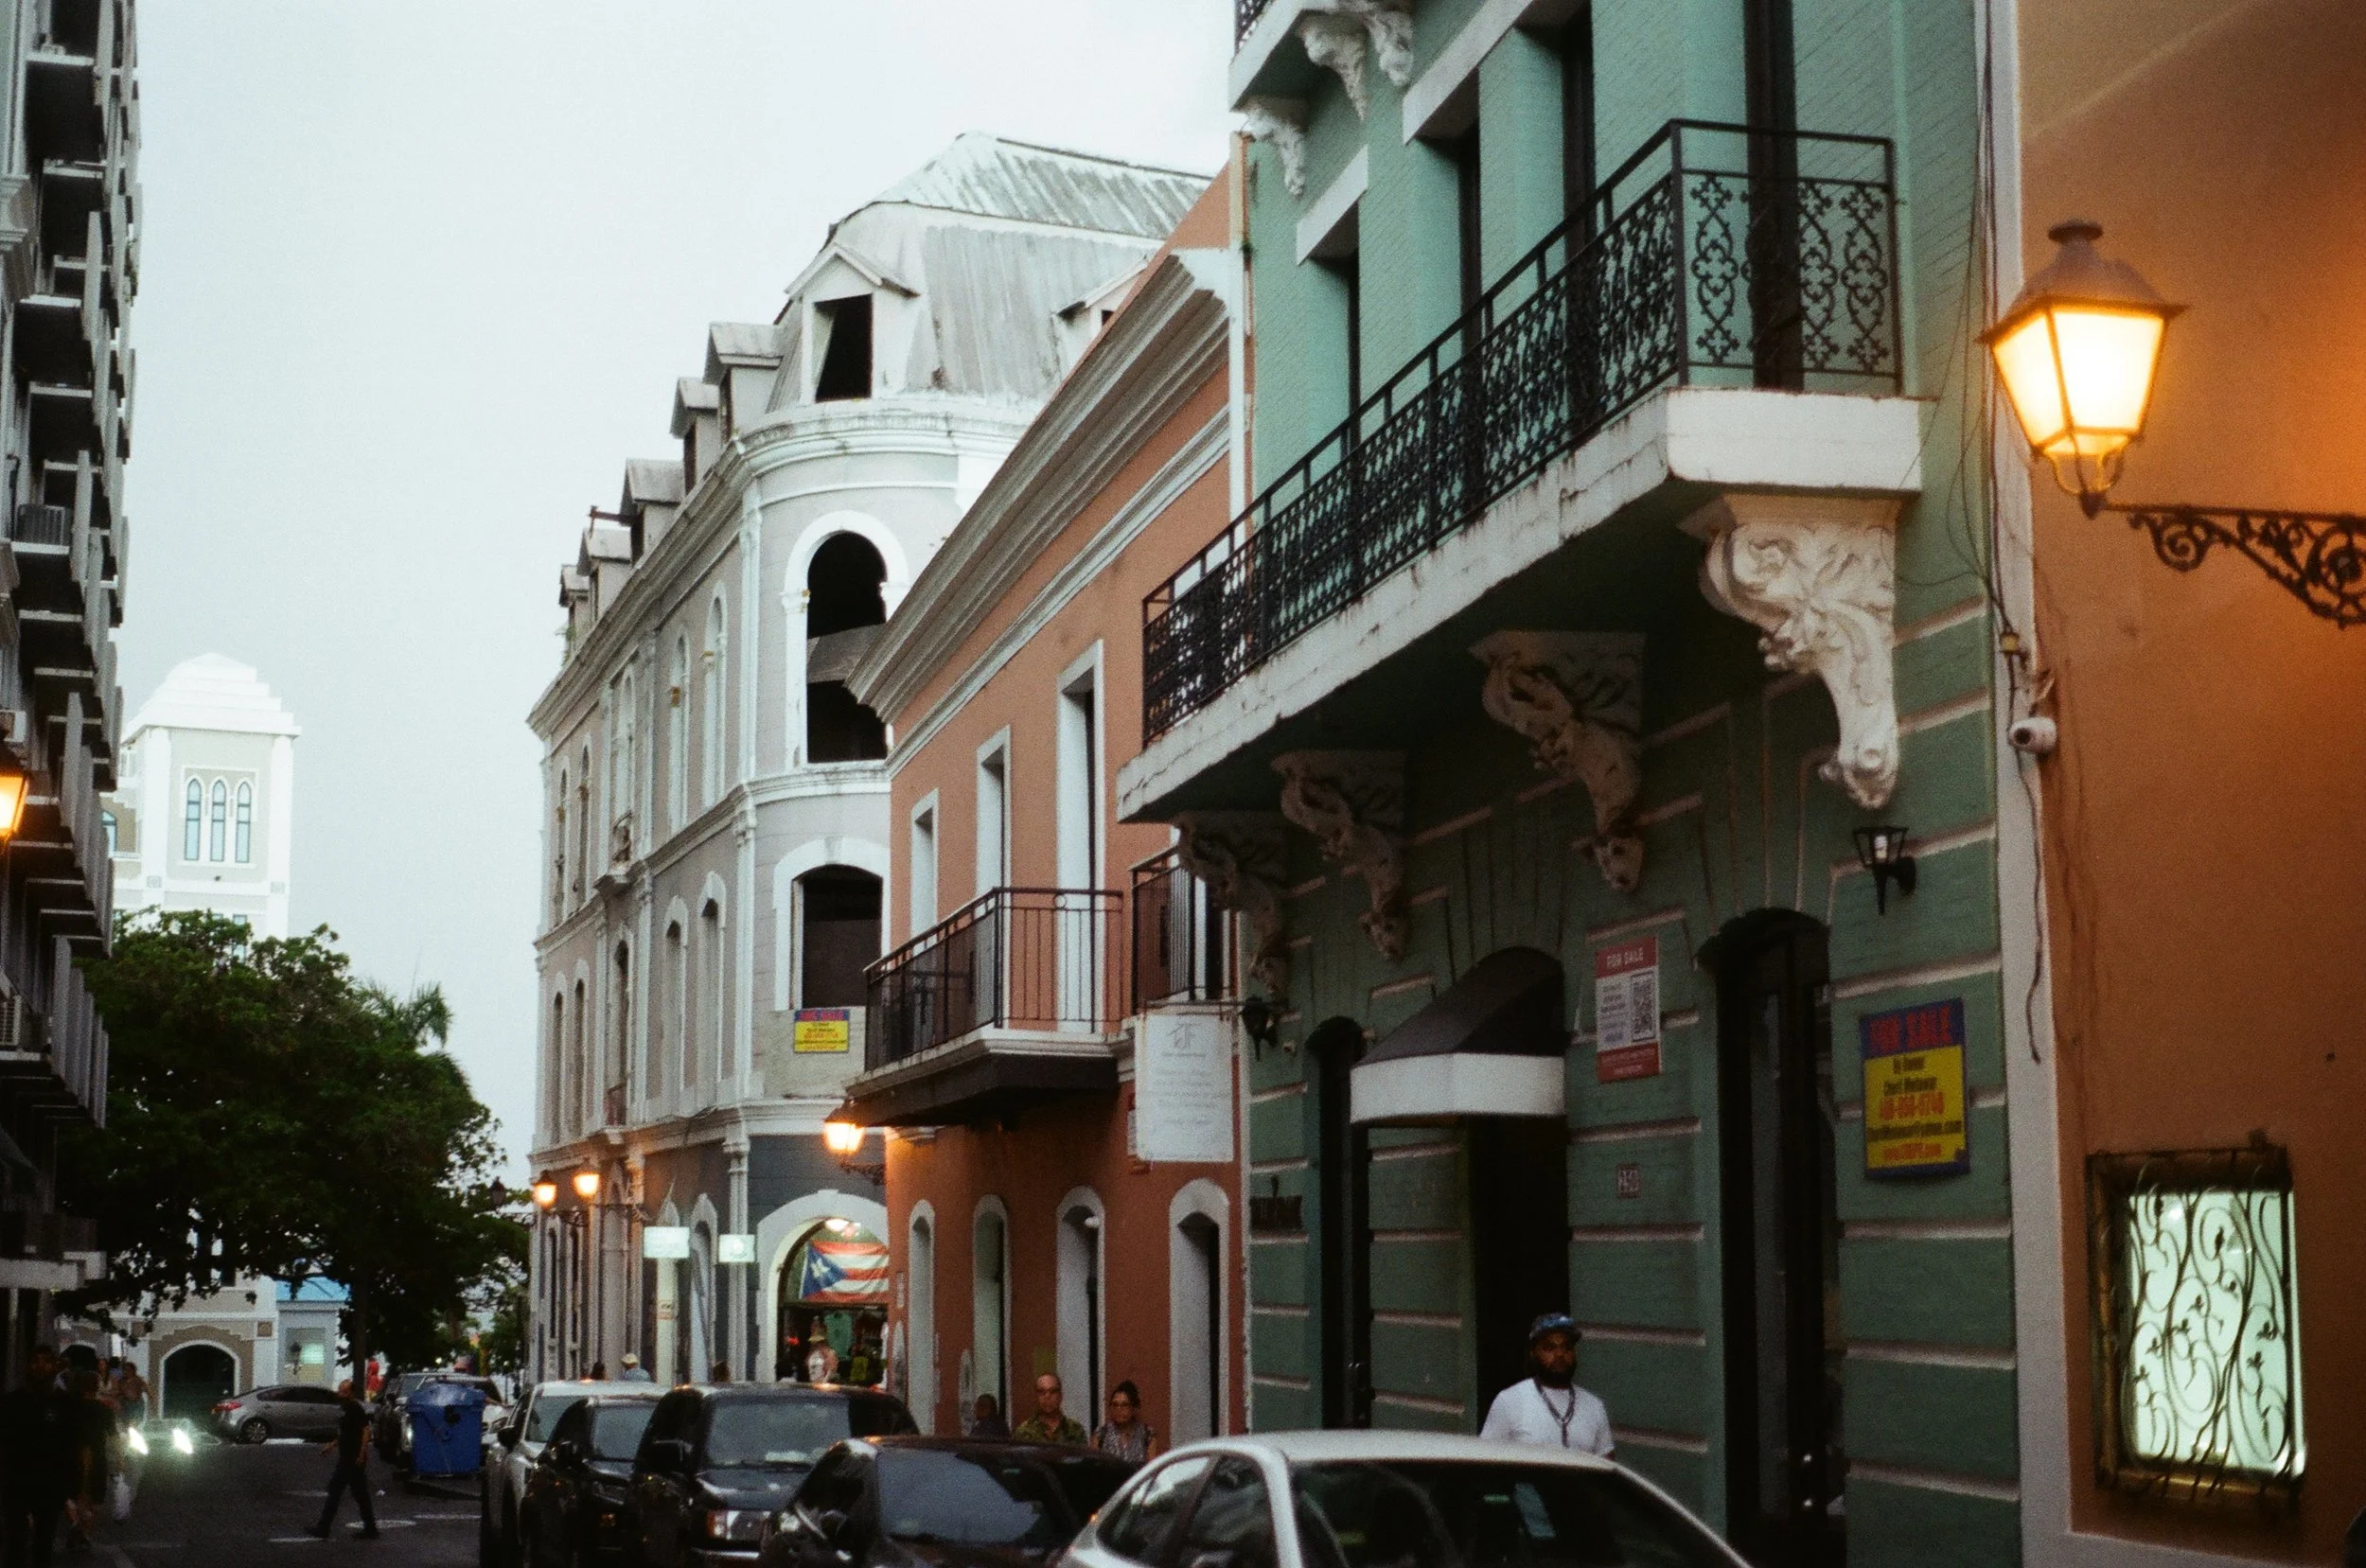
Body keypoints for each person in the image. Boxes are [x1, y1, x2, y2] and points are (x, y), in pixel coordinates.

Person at [1479, 1313, 1613, 1455]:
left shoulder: (1594, 1406)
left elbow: (1607, 1464)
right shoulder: (1509, 1401)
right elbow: (1486, 1459)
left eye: (1566, 1347)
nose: (1559, 1354)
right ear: (1533, 1353)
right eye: (1549, 1347)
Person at [2, 1347, 78, 1567]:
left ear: (55, 1366)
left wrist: (70, 1489)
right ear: (28, 1365)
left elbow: (69, 1445)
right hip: (17, 1484)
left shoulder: (64, 1403)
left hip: (49, 1485)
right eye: (36, 1361)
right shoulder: (13, 1402)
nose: (40, 1366)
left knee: (43, 1545)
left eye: (46, 1361)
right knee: (14, 1543)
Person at [306, 1380, 379, 1541]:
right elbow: (346, 1434)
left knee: (338, 1492)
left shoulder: (355, 1408)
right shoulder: (346, 1409)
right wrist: (332, 1445)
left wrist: (361, 1454)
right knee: (358, 1494)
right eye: (339, 1391)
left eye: (343, 1391)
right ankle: (370, 1528)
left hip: (352, 1459)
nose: (339, 1394)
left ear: (350, 1393)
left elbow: (366, 1431)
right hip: (347, 1457)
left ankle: (324, 1528)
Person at [1092, 1381, 1157, 1461]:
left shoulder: (1147, 1434)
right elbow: (1094, 1466)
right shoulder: (1101, 1434)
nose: (1119, 1409)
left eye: (1124, 1405)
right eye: (1115, 1405)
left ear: (1133, 1408)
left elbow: (1151, 1467)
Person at [1012, 1374, 1086, 1445]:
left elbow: (1082, 1457)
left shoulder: (1075, 1430)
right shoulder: (1023, 1432)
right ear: (1035, 1397)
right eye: (1041, 1392)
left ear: (1060, 1396)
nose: (1047, 1396)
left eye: (1053, 1391)